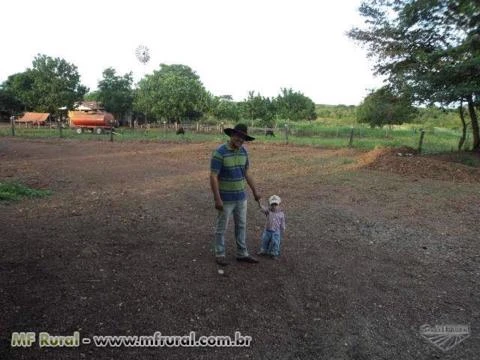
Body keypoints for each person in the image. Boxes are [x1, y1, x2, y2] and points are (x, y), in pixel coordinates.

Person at [210, 123, 261, 266]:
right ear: (232, 135)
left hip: (241, 197)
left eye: (243, 137)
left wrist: (255, 191)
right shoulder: (220, 152)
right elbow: (213, 176)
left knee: (241, 226)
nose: (240, 139)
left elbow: (246, 173)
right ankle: (219, 253)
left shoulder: (244, 152)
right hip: (225, 199)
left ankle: (242, 253)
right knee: (222, 227)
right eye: (238, 136)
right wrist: (217, 198)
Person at [257, 195, 286, 260]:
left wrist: (283, 228)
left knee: (276, 242)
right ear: (270, 205)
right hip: (267, 230)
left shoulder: (281, 213)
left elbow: (282, 221)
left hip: (276, 231)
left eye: (276, 204)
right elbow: (261, 207)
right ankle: (263, 251)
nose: (274, 206)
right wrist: (259, 201)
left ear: (279, 204)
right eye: (272, 204)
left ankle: (274, 253)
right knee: (265, 241)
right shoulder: (268, 211)